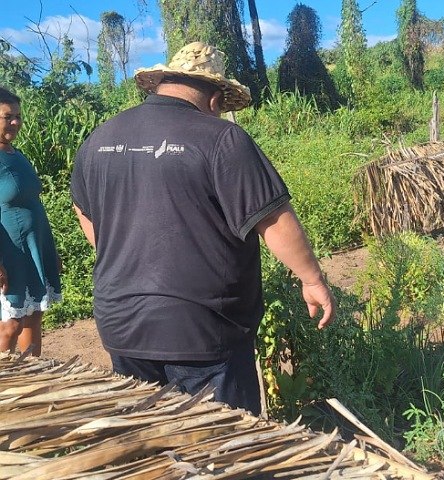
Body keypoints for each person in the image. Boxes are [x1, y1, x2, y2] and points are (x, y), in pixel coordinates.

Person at [70, 42, 336, 416]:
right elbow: (273, 218)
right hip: (203, 327)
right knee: (220, 446)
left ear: (162, 84)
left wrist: (121, 252)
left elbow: (83, 209)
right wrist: (312, 279)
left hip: (120, 322)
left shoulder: (100, 138)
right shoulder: (222, 139)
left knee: (150, 435)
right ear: (215, 99)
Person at [0, 87, 62, 356]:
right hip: (9, 252)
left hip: (34, 247)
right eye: (7, 116)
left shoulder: (17, 155)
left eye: (18, 116)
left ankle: (32, 377)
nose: (15, 122)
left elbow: (32, 204)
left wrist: (52, 250)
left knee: (34, 313)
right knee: (11, 324)